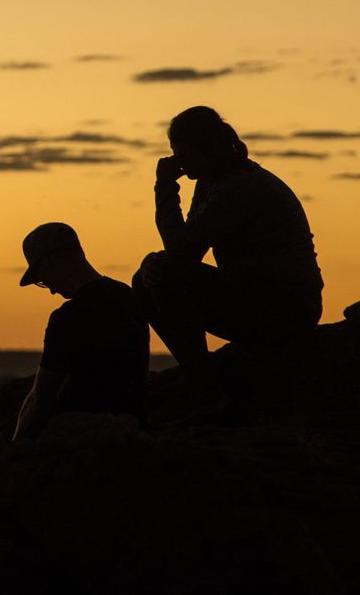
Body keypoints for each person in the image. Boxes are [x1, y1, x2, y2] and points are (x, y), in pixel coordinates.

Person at [132, 105, 322, 394]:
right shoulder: (213, 182)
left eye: (180, 151)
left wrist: (165, 186)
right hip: (254, 297)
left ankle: (203, 384)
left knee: (163, 271)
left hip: (287, 307)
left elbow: (180, 252)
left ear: (202, 147)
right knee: (147, 278)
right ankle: (198, 373)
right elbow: (185, 251)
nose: (176, 160)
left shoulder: (241, 187)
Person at [12, 223, 149, 441]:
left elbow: (41, 399)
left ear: (50, 260)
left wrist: (13, 455)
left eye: (41, 278)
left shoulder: (68, 317)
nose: (51, 290)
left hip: (84, 433)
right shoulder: (127, 296)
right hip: (133, 421)